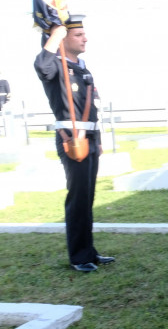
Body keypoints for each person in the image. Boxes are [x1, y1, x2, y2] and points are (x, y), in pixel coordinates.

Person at [33, 17, 115, 272]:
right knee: (78, 199)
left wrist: (98, 139)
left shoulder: (82, 67)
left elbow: (94, 107)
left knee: (87, 198)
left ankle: (89, 251)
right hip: (72, 141)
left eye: (83, 34)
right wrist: (54, 36)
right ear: (64, 39)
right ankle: (79, 257)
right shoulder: (56, 66)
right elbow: (41, 68)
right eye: (78, 34)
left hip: (89, 139)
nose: (85, 38)